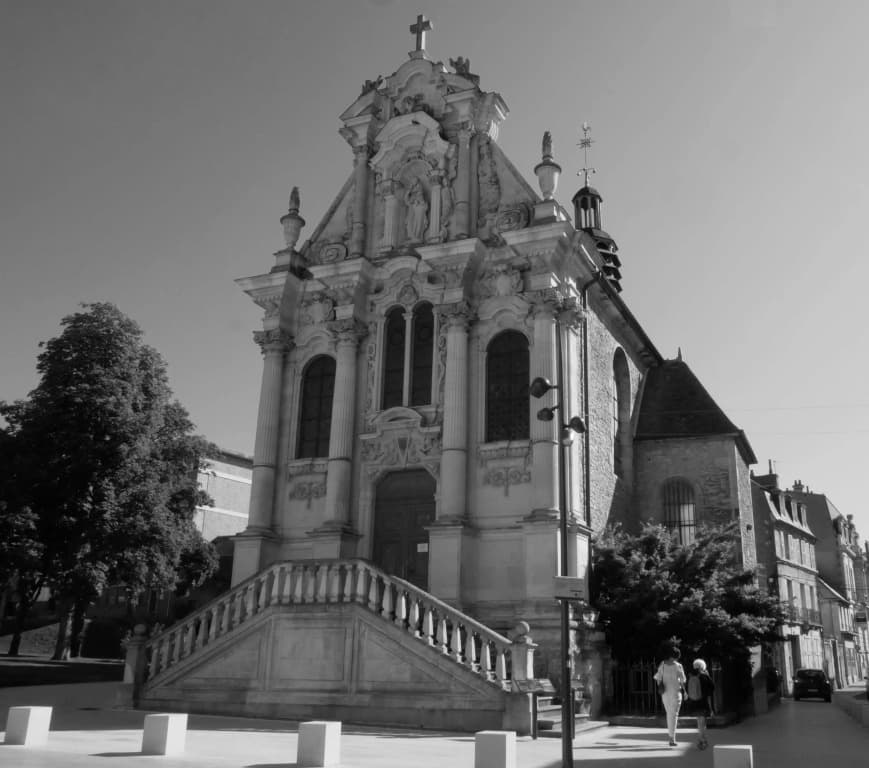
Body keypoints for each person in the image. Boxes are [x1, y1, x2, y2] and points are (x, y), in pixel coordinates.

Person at [653, 645, 687, 747]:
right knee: (673, 715)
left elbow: (658, 679)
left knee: (669, 714)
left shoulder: (662, 664)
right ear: (675, 656)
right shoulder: (678, 666)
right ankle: (672, 738)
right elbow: (682, 681)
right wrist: (685, 692)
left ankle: (671, 737)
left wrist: (661, 686)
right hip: (676, 692)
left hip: (665, 693)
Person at [686, 658, 715, 750]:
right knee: (702, 722)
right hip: (703, 702)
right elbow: (712, 687)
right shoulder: (704, 676)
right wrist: (708, 675)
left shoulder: (690, 676)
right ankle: (701, 740)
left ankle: (702, 739)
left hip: (694, 702)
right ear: (703, 667)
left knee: (699, 721)